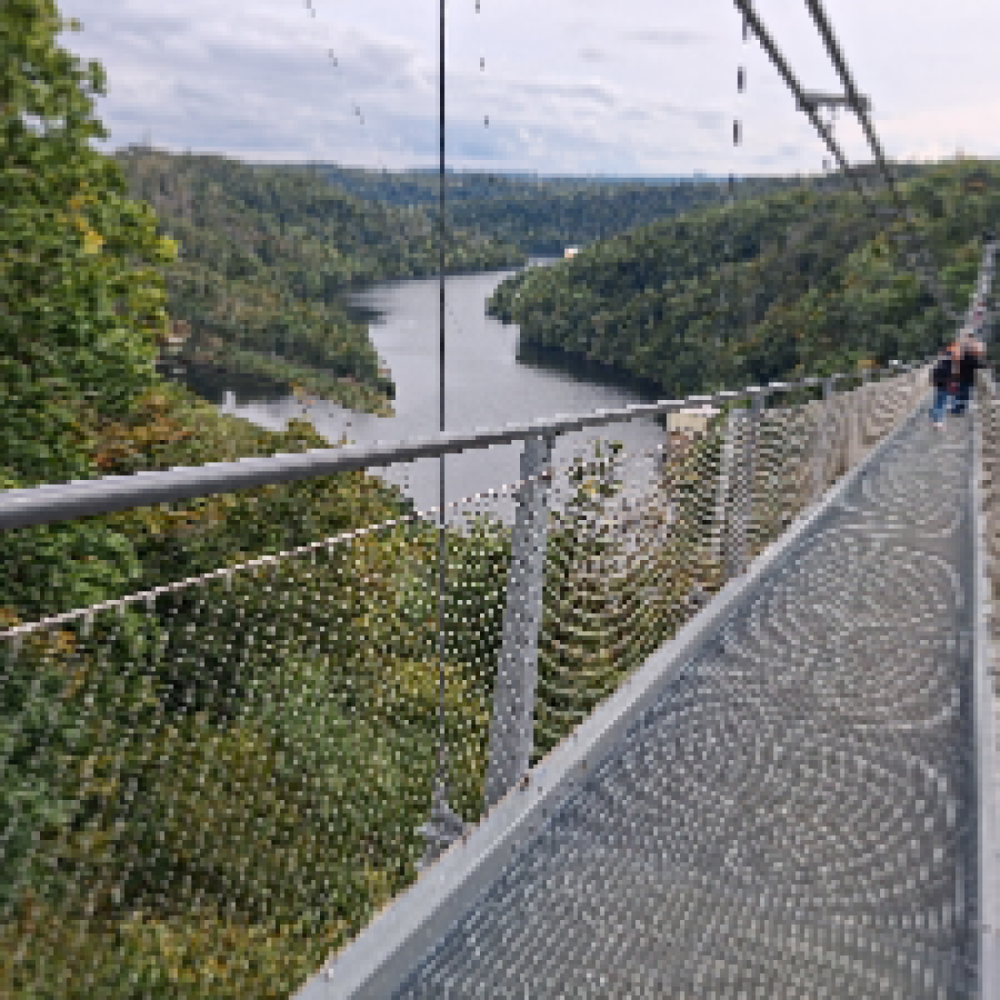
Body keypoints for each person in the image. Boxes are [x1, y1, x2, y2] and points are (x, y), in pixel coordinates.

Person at [929, 338, 962, 428]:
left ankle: (935, 418)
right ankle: (938, 420)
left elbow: (933, 370)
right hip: (945, 381)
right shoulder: (952, 359)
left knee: (938, 400)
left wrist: (932, 380)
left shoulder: (939, 358)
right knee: (942, 401)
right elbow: (954, 371)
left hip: (938, 381)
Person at [951, 330, 986, 415]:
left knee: (961, 393)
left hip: (962, 375)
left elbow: (956, 359)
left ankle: (959, 409)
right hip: (966, 376)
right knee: (963, 393)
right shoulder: (968, 351)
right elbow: (975, 363)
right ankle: (959, 409)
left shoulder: (963, 348)